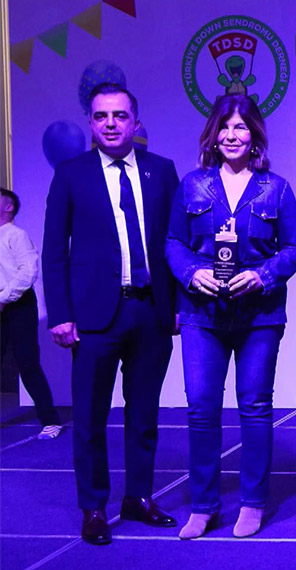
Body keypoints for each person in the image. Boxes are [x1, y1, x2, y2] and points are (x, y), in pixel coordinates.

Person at [42, 83, 181, 545]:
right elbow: (53, 251)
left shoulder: (161, 170)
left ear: (135, 121)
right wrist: (60, 314)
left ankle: (138, 498)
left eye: (120, 115)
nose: (111, 124)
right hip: (93, 318)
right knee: (89, 418)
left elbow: (176, 244)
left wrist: (177, 305)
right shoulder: (71, 174)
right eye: (101, 116)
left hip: (151, 311)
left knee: (144, 414)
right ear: (90, 123)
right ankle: (94, 507)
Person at [166, 94, 296, 539]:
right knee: (201, 408)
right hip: (201, 315)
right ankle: (203, 506)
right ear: (213, 134)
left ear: (255, 134)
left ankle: (253, 503)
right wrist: (192, 272)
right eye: (224, 127)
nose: (231, 135)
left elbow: (294, 248)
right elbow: (174, 242)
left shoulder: (276, 188)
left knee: (255, 406)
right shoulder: (192, 185)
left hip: (259, 316)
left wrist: (263, 276)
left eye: (241, 127)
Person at [0, 188, 63, 439]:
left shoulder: (16, 235)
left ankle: (51, 420)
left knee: (27, 363)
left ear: (9, 207)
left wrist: (4, 298)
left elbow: (28, 271)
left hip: (19, 306)